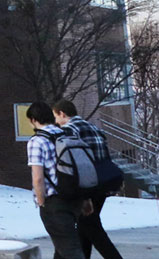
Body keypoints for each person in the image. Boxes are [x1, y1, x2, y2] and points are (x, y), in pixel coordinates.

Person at [53, 100, 124, 259]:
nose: (56, 122)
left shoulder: (69, 130)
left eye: (56, 117)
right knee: (85, 227)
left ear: (62, 114)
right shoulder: (93, 127)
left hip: (87, 184)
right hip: (105, 181)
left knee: (91, 227)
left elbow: (76, 161)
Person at [26, 101, 84, 259]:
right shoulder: (66, 134)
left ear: (33, 119)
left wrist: (41, 200)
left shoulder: (36, 141)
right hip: (74, 197)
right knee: (62, 249)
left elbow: (37, 177)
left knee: (70, 250)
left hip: (54, 202)